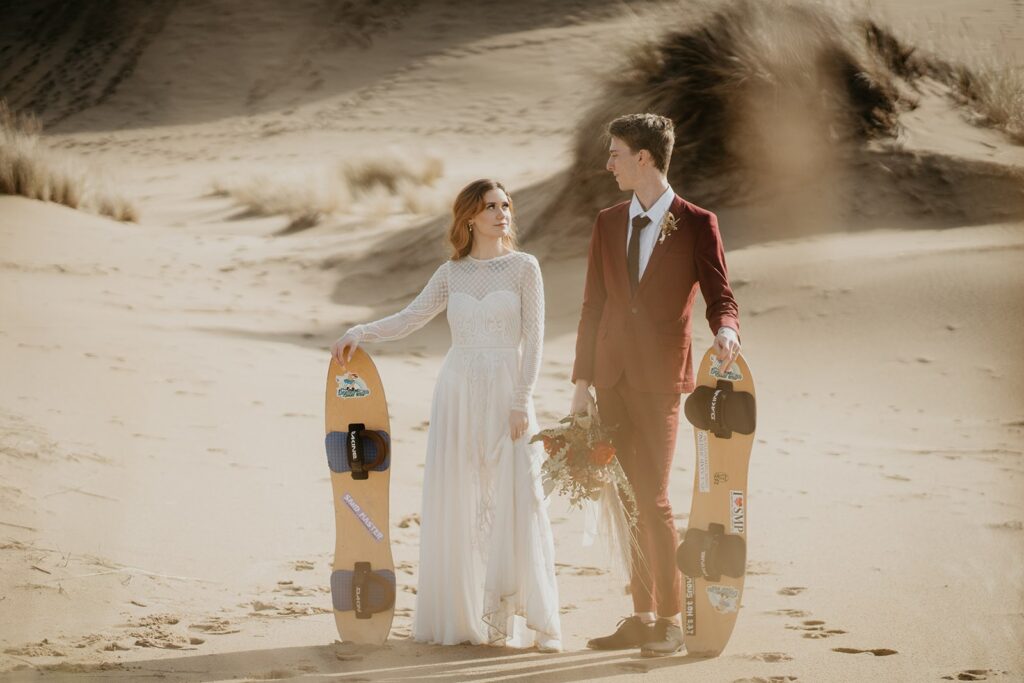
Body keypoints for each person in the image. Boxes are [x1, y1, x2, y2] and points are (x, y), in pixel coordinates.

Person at [331, 179, 562, 652]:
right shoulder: (452, 273)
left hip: (506, 390)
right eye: (490, 207)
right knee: (459, 496)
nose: (502, 214)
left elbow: (535, 339)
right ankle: (461, 618)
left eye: (506, 206)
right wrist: (361, 331)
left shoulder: (524, 268)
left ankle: (530, 620)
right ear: (470, 218)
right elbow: (410, 317)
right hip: (456, 390)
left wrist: (522, 399)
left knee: (518, 495)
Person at [570, 113, 741, 657]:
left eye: (616, 153)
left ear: (644, 158)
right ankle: (640, 615)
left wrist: (728, 332)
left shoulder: (697, 223)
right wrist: (581, 383)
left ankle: (670, 620)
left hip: (663, 382)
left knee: (654, 498)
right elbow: (593, 305)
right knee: (624, 499)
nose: (609, 163)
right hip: (611, 378)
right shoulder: (607, 221)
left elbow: (721, 296)